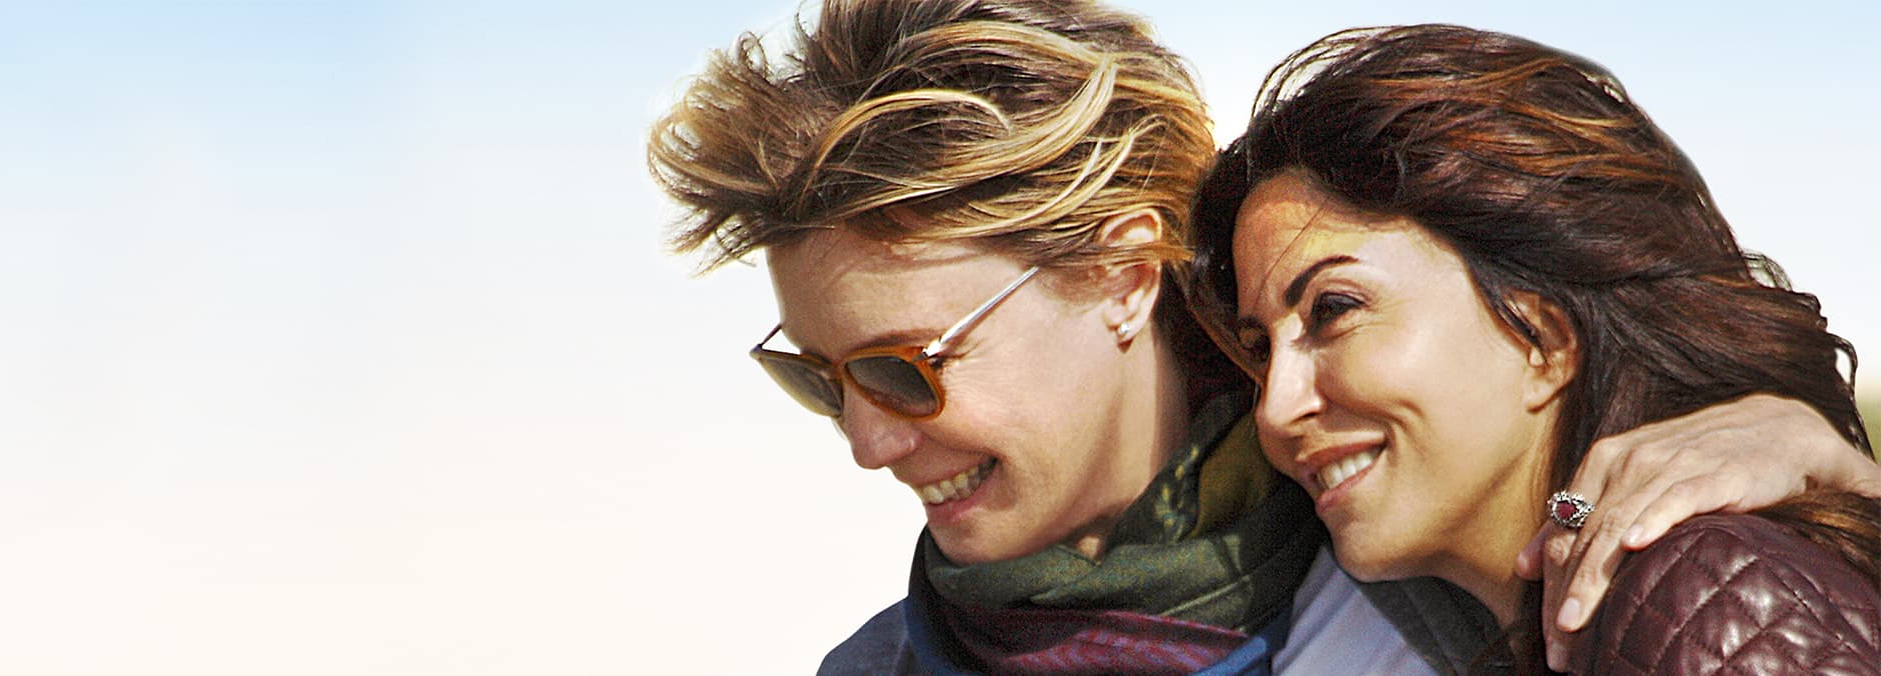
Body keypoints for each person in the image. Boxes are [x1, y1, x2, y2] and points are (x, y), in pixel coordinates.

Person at [647, 1, 1880, 672]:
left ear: (1121, 275)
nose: (867, 443)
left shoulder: (1432, 542)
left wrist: (1819, 471)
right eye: (821, 380)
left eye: (903, 369)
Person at [1187, 24, 1881, 673]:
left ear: (1544, 339)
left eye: (1333, 310)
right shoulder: (1582, 588)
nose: (1275, 410)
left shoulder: (1700, 592)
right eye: (1262, 350)